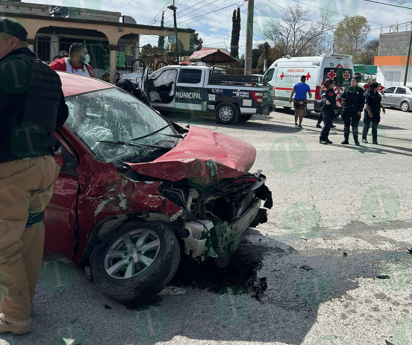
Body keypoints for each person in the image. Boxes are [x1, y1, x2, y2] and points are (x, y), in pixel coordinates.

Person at [0, 18, 69, 335]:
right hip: (43, 165)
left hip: (11, 169)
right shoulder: (50, 73)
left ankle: (15, 317)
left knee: (4, 245)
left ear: (10, 41)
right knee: (30, 235)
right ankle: (24, 304)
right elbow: (61, 117)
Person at [340, 78, 364, 146]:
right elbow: (342, 96)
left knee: (354, 126)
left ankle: (356, 140)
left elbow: (362, 101)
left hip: (355, 110)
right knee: (346, 125)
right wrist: (341, 98)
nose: (352, 82)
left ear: (357, 82)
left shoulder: (360, 90)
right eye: (351, 81)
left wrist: (360, 110)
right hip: (347, 109)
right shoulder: (347, 89)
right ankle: (346, 139)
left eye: (354, 81)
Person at [319, 78, 338, 144]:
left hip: (331, 109)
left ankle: (326, 138)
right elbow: (323, 97)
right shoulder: (325, 90)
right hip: (325, 109)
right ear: (330, 84)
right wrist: (326, 101)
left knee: (329, 124)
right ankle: (321, 138)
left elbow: (333, 100)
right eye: (333, 83)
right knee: (326, 124)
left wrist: (335, 108)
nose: (334, 85)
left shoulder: (332, 90)